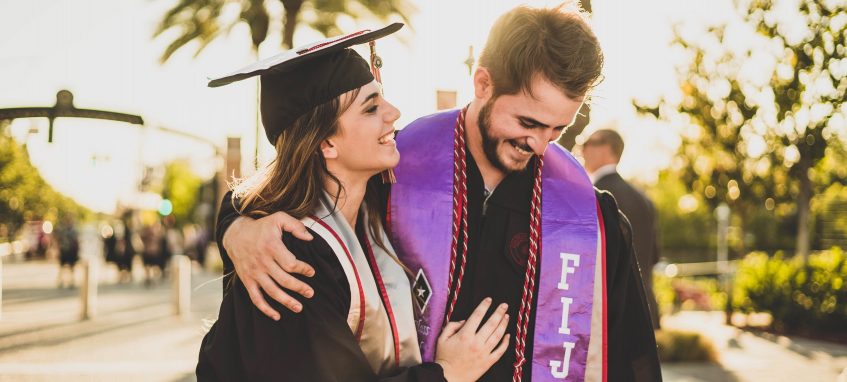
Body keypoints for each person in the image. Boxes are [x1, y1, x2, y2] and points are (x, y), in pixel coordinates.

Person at [216, 5, 661, 381]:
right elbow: (291, 188)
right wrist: (236, 225)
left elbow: (632, 358)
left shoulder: (588, 218)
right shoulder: (392, 170)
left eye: (559, 129)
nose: (542, 145)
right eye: (527, 123)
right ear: (483, 83)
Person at [197, 24, 509, 382]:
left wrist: (234, 225)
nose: (393, 112)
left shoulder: (373, 205)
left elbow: (240, 200)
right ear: (326, 144)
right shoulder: (291, 260)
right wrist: (447, 374)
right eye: (371, 107)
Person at [581, 128, 662, 329]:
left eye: (588, 142)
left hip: (606, 315)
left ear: (607, 149)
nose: (582, 149)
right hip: (642, 310)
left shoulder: (593, 197)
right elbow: (654, 255)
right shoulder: (644, 200)